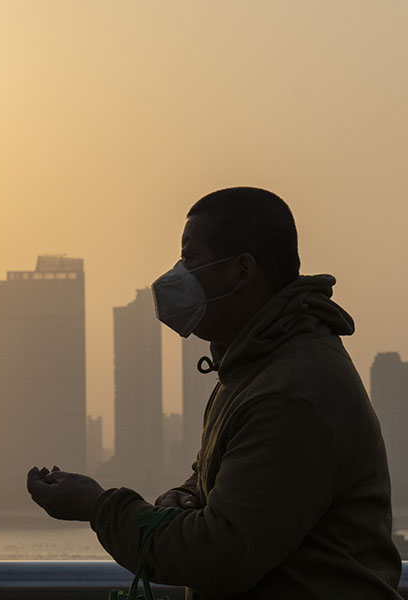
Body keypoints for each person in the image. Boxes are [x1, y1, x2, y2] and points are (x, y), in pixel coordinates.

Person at [27, 187, 402, 598]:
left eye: (190, 259)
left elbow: (218, 552)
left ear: (241, 271)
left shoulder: (290, 393)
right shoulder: (252, 369)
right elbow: (228, 477)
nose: (176, 275)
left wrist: (99, 507)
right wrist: (185, 496)